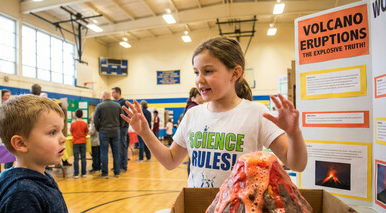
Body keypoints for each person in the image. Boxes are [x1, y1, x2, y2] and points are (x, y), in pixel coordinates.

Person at [121, 36, 307, 188]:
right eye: (196, 72)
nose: (199, 80)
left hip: (241, 211)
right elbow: (170, 161)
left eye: (208, 71)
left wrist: (294, 134)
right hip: (200, 208)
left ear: (235, 73)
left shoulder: (257, 113)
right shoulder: (193, 115)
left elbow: (297, 164)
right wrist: (145, 132)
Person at [0, 94, 75, 213]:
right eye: (52, 132)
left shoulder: (41, 177)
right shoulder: (22, 194)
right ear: (21, 143)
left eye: (61, 131)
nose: (63, 138)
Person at [94, 90, 124, 178]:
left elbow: (96, 120)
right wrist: (119, 127)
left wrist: (99, 129)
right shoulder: (117, 105)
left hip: (104, 132)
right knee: (116, 152)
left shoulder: (99, 106)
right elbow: (122, 118)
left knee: (104, 153)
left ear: (103, 97)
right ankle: (117, 172)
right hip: (116, 131)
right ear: (110, 96)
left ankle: (105, 173)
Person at [111, 87, 129, 172]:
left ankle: (124, 165)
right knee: (117, 147)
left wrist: (121, 126)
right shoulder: (115, 103)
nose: (112, 94)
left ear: (118, 93)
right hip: (117, 128)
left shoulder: (123, 102)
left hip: (122, 127)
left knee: (122, 146)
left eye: (113, 92)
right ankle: (118, 165)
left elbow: (124, 117)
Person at [70, 109, 89, 178]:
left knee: (76, 158)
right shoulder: (85, 124)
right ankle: (84, 173)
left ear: (75, 115)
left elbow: (71, 132)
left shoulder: (73, 124)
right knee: (83, 158)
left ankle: (76, 174)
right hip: (83, 142)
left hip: (75, 142)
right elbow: (86, 132)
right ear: (82, 115)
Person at [2, 89, 15, 169]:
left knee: (10, 153)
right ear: (2, 96)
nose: (8, 97)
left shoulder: (10, 106)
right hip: (0, 133)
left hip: (9, 133)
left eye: (9, 95)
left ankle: (7, 169)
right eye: (6, 95)